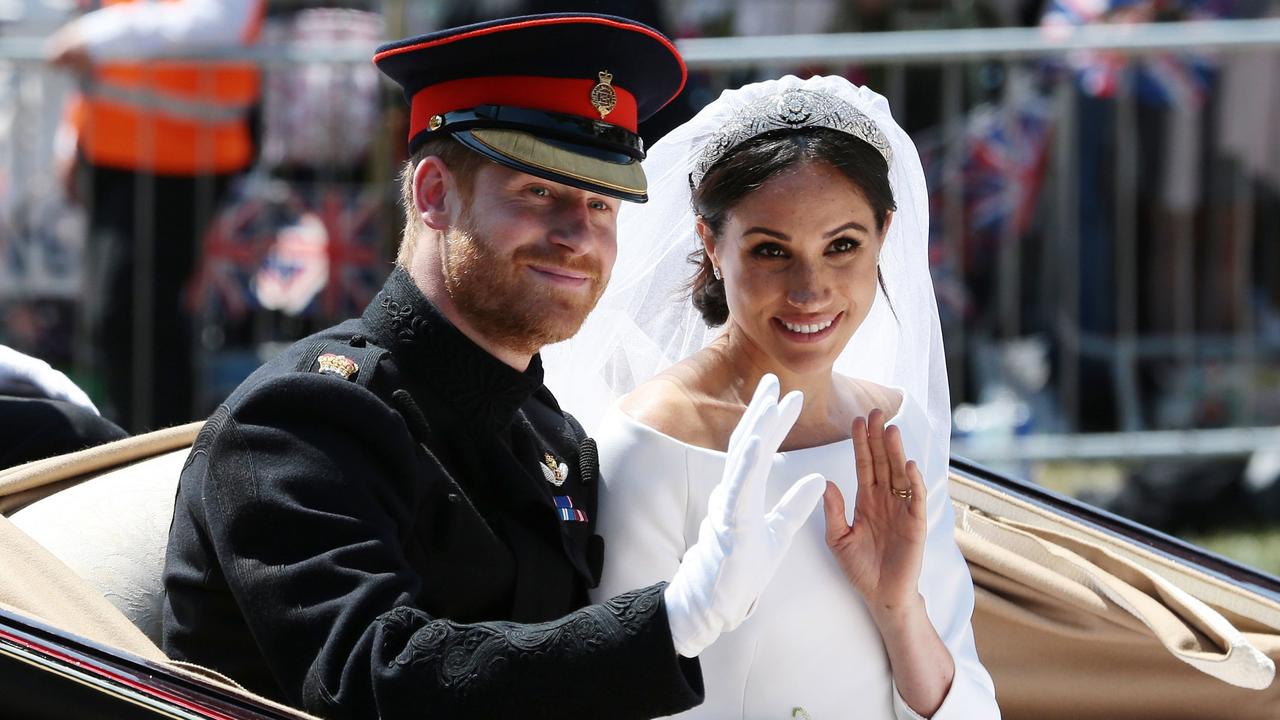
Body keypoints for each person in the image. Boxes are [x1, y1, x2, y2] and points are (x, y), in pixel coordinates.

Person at [161, 15, 828, 719]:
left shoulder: (550, 434)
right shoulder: (302, 423)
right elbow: (371, 680)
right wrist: (674, 620)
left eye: (602, 204)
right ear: (433, 194)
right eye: (539, 193)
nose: (579, 237)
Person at [543, 75, 1001, 718]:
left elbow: (970, 701)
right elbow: (625, 695)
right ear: (711, 244)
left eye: (842, 245)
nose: (810, 290)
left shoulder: (899, 430)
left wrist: (899, 610)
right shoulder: (651, 443)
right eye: (770, 251)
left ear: (883, 236)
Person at [45, 0, 264, 431]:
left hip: (183, 161)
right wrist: (73, 133)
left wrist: (97, 34)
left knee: (141, 318)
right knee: (118, 319)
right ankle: (136, 448)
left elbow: (218, 21)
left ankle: (157, 456)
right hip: (115, 155)